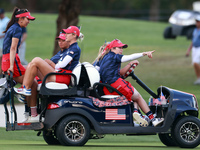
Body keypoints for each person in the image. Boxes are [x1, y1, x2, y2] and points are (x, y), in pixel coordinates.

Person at [14, 26, 82, 122]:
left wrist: (53, 64)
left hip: (63, 77)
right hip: (58, 75)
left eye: (67, 34)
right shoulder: (69, 48)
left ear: (74, 35)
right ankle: (29, 101)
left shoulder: (74, 48)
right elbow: (60, 64)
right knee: (32, 66)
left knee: (36, 60)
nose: (65, 36)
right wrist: (55, 64)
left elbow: (60, 65)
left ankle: (25, 88)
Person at [95, 39, 164, 127]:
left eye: (122, 48)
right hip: (116, 84)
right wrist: (144, 53)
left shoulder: (104, 57)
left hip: (107, 88)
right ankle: (153, 119)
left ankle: (137, 112)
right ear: (112, 48)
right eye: (119, 48)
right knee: (138, 97)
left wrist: (129, 65)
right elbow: (130, 57)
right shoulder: (115, 56)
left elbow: (118, 73)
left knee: (133, 96)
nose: (121, 49)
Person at [1, 7, 37, 122]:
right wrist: (11, 66)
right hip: (12, 60)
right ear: (20, 18)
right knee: (34, 83)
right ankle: (32, 114)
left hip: (7, 61)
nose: (28, 22)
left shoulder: (13, 27)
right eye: (27, 19)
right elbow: (13, 48)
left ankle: (29, 113)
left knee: (33, 79)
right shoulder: (17, 29)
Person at [186, 15, 200, 85]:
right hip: (194, 48)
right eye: (196, 21)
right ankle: (198, 78)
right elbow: (193, 40)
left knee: (195, 62)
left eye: (198, 21)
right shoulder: (195, 30)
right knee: (194, 64)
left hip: (199, 48)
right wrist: (189, 50)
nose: (197, 23)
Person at [0, 8, 10, 73]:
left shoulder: (7, 21)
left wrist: (2, 36)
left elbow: (9, 32)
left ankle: (1, 72)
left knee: (2, 58)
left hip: (4, 43)